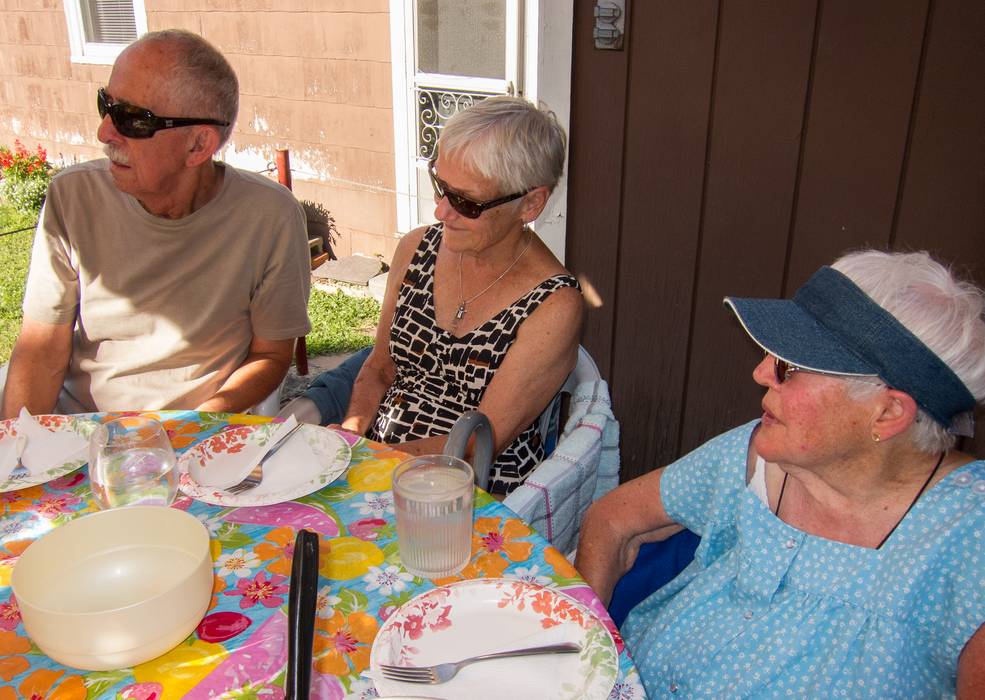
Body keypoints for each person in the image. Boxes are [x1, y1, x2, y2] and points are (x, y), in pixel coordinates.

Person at [576, 250, 985, 697]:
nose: (760, 372)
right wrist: (586, 652)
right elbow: (613, 519)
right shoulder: (763, 455)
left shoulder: (968, 542)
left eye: (788, 367)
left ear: (887, 412)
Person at [0, 29, 311, 418]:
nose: (104, 132)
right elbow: (41, 349)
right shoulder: (74, 197)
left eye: (132, 119)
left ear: (199, 145)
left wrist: (197, 422)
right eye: (106, 104)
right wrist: (18, 455)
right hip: (81, 431)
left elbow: (269, 355)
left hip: (195, 436)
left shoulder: (270, 217)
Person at [287, 96, 583, 495]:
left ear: (530, 203)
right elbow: (380, 365)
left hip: (471, 491)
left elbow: (480, 442)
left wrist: (368, 463)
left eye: (466, 201)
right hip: (376, 459)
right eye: (440, 186)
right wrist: (352, 431)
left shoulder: (553, 306)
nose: (442, 211)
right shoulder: (417, 249)